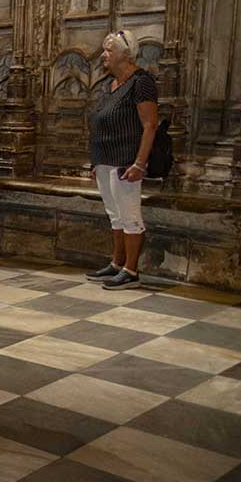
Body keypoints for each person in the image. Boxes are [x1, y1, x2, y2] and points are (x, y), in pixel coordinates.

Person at [86, 29, 159, 290]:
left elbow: (150, 124)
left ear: (125, 54)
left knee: (129, 215)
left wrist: (139, 163)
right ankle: (117, 263)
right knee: (114, 215)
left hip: (126, 161)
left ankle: (131, 270)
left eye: (109, 50)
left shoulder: (141, 81)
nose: (104, 55)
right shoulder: (112, 84)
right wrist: (96, 162)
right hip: (105, 159)